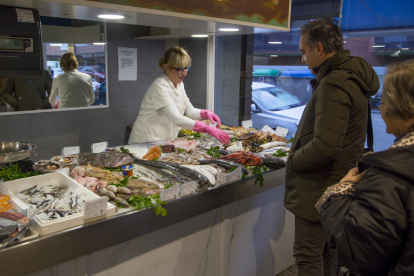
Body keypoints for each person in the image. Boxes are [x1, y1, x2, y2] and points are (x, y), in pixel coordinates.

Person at [284, 18, 380, 276]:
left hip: (319, 187)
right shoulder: (351, 74)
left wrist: (293, 160)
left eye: (304, 52)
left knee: (308, 256)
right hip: (337, 183)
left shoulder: (335, 82)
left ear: (319, 48)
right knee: (328, 253)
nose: (303, 59)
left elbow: (325, 146)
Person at [316, 59, 414, 276]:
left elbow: (356, 250)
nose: (380, 107)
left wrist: (341, 191)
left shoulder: (389, 175)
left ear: (404, 108)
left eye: (385, 101)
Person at [129, 46, 230, 144]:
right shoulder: (160, 85)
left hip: (164, 140)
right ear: (166, 67)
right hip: (145, 139)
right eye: (180, 69)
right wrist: (206, 128)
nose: (184, 74)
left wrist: (206, 113)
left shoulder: (179, 85)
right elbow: (176, 118)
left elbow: (190, 111)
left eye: (186, 69)